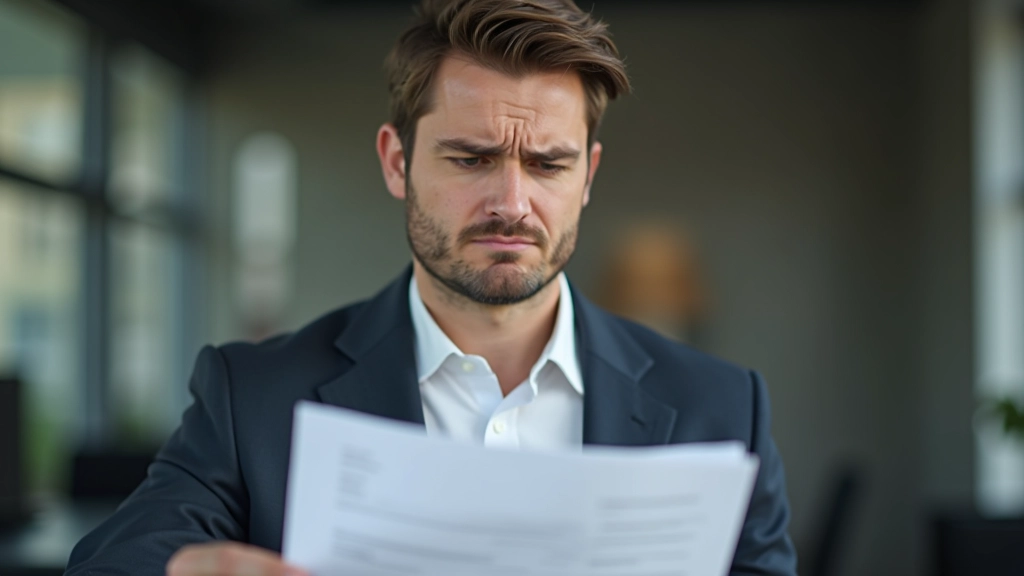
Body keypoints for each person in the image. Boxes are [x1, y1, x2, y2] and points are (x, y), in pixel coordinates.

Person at [65, 1, 797, 574]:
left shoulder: (722, 409)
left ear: (588, 177)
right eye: (472, 158)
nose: (512, 204)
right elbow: (118, 561)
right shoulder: (251, 396)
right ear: (397, 163)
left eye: (548, 164)